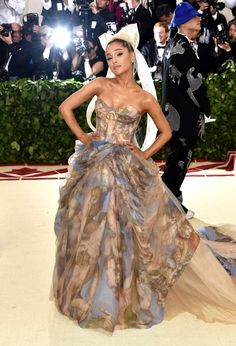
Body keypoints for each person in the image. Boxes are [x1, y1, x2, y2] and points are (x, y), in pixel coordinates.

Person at [51, 23, 236, 333]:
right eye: (109, 56)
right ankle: (94, 289)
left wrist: (144, 153)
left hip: (126, 163)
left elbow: (166, 132)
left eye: (119, 54)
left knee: (133, 224)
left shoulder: (144, 98)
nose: (113, 61)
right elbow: (65, 107)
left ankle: (124, 289)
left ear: (132, 56)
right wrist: (85, 138)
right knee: (91, 221)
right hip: (96, 161)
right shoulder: (100, 84)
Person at [161, 2, 212, 219]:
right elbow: (194, 84)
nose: (199, 19)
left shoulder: (176, 44)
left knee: (178, 159)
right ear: (183, 22)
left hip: (177, 114)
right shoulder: (181, 48)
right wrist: (206, 107)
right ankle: (169, 203)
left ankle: (172, 199)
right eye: (194, 17)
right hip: (183, 115)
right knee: (180, 160)